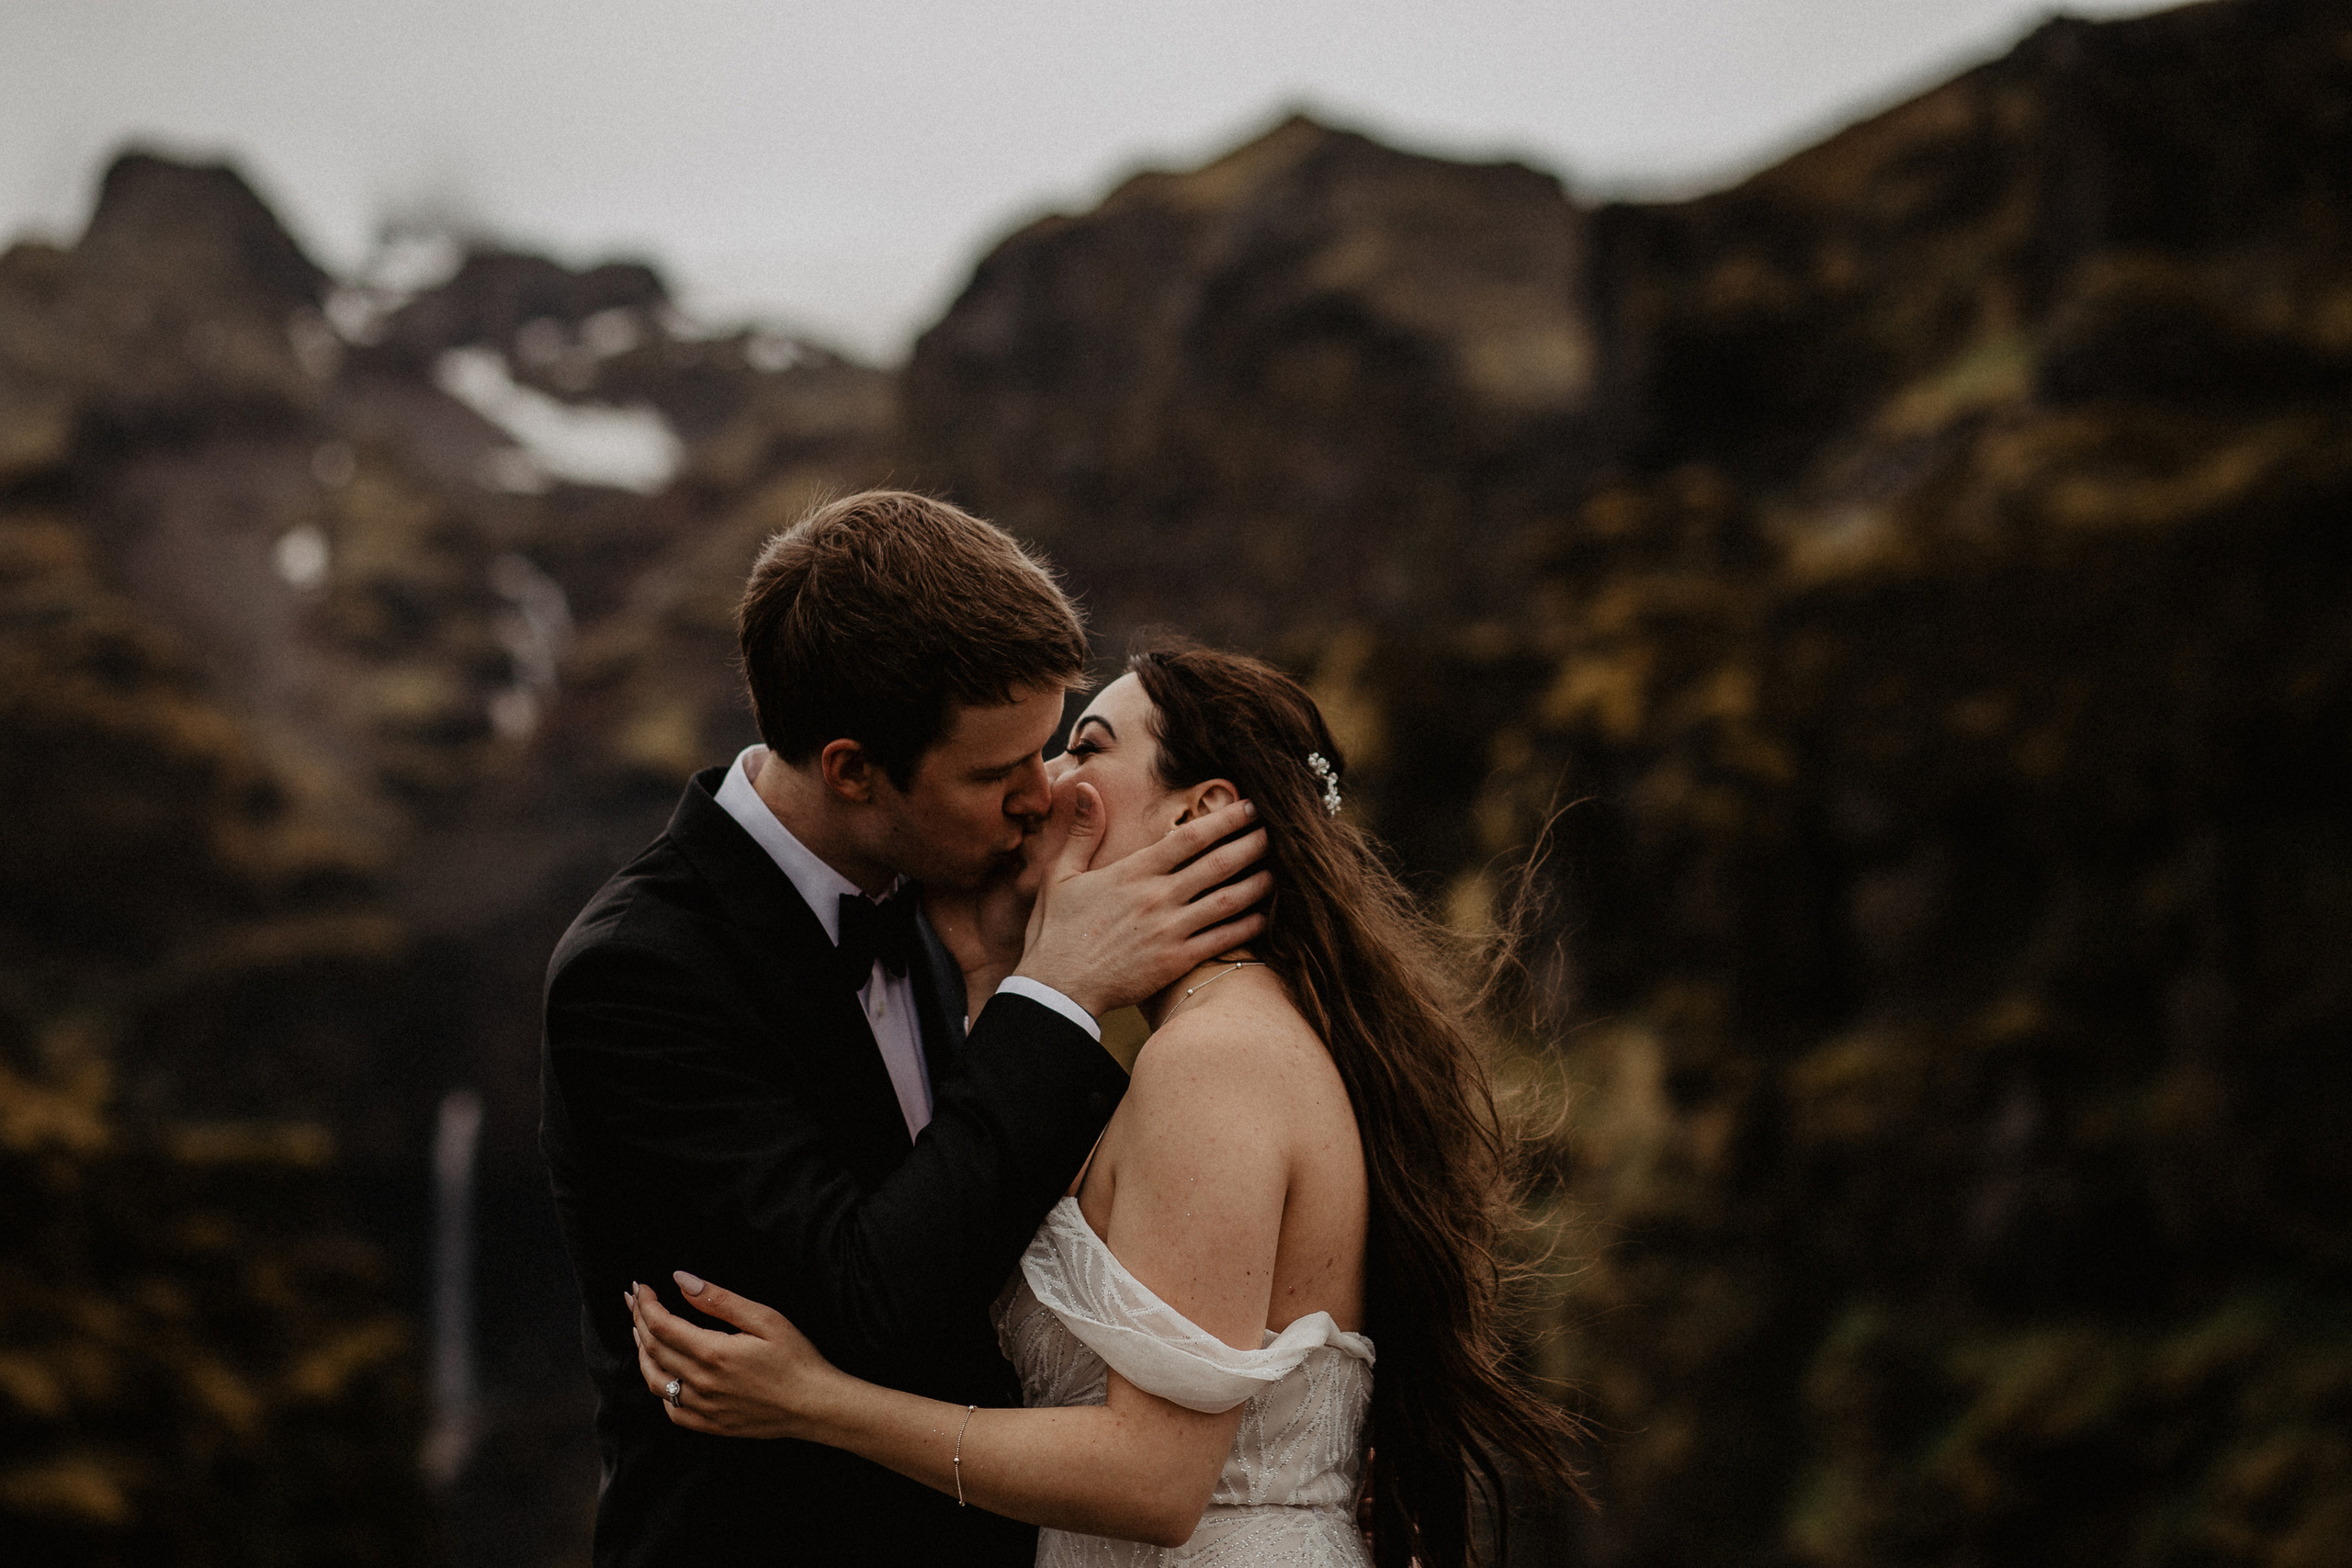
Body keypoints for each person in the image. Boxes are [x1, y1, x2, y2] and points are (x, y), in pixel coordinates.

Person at [624, 644, 1588, 1568]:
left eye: (1084, 746)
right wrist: (993, 973)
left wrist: (813, 1401)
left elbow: (1155, 1481)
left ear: (1199, 812)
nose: (1041, 783)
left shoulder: (1215, 1060)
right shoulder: (1226, 1035)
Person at [540, 494, 1272, 1567]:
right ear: (850, 769)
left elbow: (1074, 1258)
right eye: (996, 773)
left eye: (1052, 746)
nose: (1046, 798)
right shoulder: (638, 974)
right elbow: (865, 1308)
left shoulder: (963, 895)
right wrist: (1054, 996)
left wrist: (998, 982)